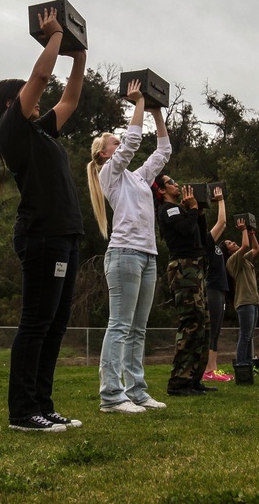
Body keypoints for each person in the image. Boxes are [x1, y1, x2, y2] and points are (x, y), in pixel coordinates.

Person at [0, 8, 87, 432]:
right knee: (36, 323)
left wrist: (78, 53)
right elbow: (42, 79)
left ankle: (42, 404)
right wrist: (55, 37)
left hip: (65, 235)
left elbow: (71, 98)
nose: (38, 96)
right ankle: (22, 412)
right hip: (42, 236)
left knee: (55, 324)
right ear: (12, 102)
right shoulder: (12, 130)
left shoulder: (41, 130)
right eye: (27, 93)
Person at [86, 79, 172, 413]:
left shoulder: (136, 178)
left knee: (138, 328)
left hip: (147, 255)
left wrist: (156, 112)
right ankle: (111, 395)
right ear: (104, 154)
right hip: (123, 255)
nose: (121, 145)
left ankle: (136, 390)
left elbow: (162, 152)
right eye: (115, 144)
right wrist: (137, 102)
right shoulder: (109, 173)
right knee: (120, 326)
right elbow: (134, 140)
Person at [154, 177, 214, 396]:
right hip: (184, 269)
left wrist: (198, 213)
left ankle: (194, 378)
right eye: (171, 183)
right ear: (161, 190)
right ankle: (179, 382)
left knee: (202, 323)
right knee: (191, 323)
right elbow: (186, 230)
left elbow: (198, 233)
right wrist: (192, 209)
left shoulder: (180, 210)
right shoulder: (168, 210)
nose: (176, 185)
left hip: (196, 268)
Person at [201, 187, 232, 382]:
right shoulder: (205, 243)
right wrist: (220, 200)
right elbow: (222, 222)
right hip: (211, 289)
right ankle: (207, 370)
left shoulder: (215, 247)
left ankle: (213, 368)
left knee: (217, 331)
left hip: (220, 290)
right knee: (211, 329)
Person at [225, 217, 259, 369]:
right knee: (244, 335)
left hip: (252, 301)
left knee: (249, 336)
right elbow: (245, 245)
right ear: (227, 251)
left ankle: (248, 364)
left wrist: (252, 233)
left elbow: (256, 249)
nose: (234, 243)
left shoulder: (244, 260)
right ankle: (241, 365)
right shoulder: (232, 261)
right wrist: (243, 230)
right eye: (230, 244)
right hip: (244, 302)